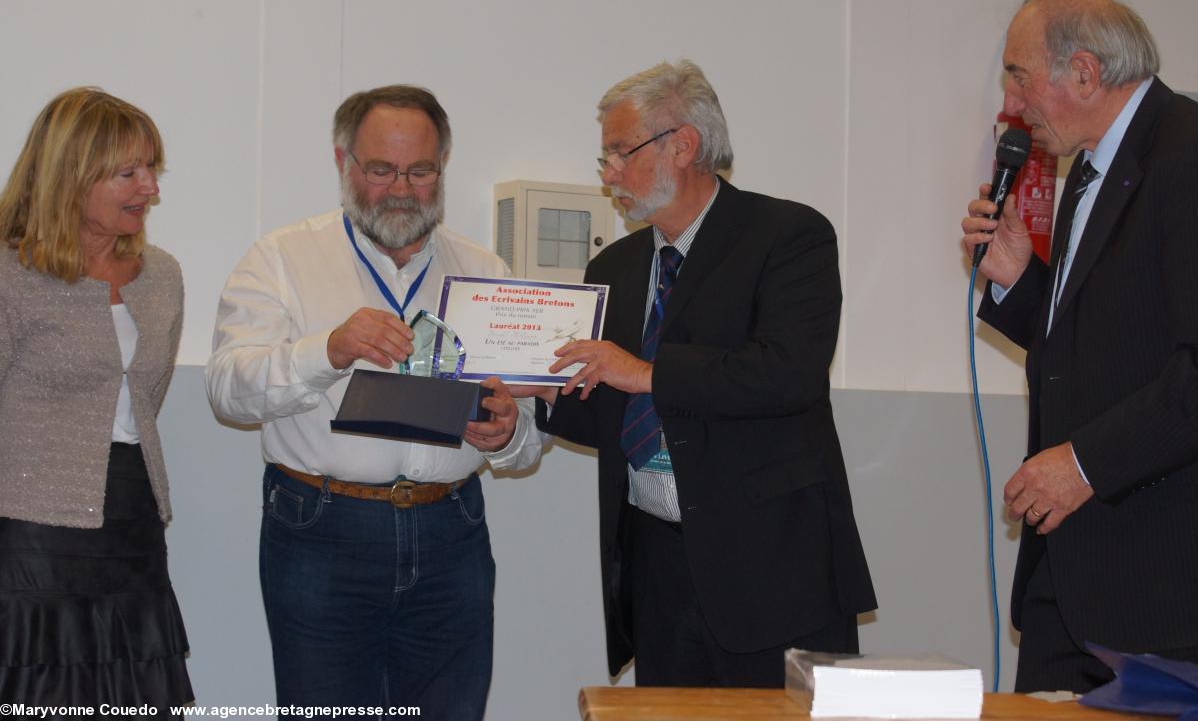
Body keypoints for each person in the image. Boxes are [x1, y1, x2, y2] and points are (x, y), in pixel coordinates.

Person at [524, 60, 876, 687]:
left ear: (683, 145)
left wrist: (645, 373)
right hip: (656, 564)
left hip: (771, 566)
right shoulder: (615, 266)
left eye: (619, 153)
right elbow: (615, 412)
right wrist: (539, 395)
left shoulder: (788, 235)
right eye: (604, 157)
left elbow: (786, 374)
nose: (608, 175)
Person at [205, 85, 544, 718]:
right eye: (381, 169)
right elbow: (227, 388)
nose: (401, 188)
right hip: (322, 529)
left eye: (420, 171)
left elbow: (524, 431)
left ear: (442, 169)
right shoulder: (281, 259)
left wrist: (511, 435)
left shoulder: (485, 269)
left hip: (453, 532)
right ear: (343, 164)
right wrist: (326, 350)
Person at [962, 0, 1198, 693]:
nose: (1013, 101)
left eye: (1019, 74)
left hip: (1159, 584)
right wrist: (1016, 280)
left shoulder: (1186, 155)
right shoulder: (1086, 166)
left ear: (1087, 73)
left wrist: (1083, 464)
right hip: (1066, 578)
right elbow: (1100, 349)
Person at [0, 88, 192, 708]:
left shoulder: (161, 275)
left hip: (132, 513)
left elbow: (147, 397)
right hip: (27, 527)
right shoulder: (9, 270)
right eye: (128, 173)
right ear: (71, 176)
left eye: (152, 170)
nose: (149, 189)